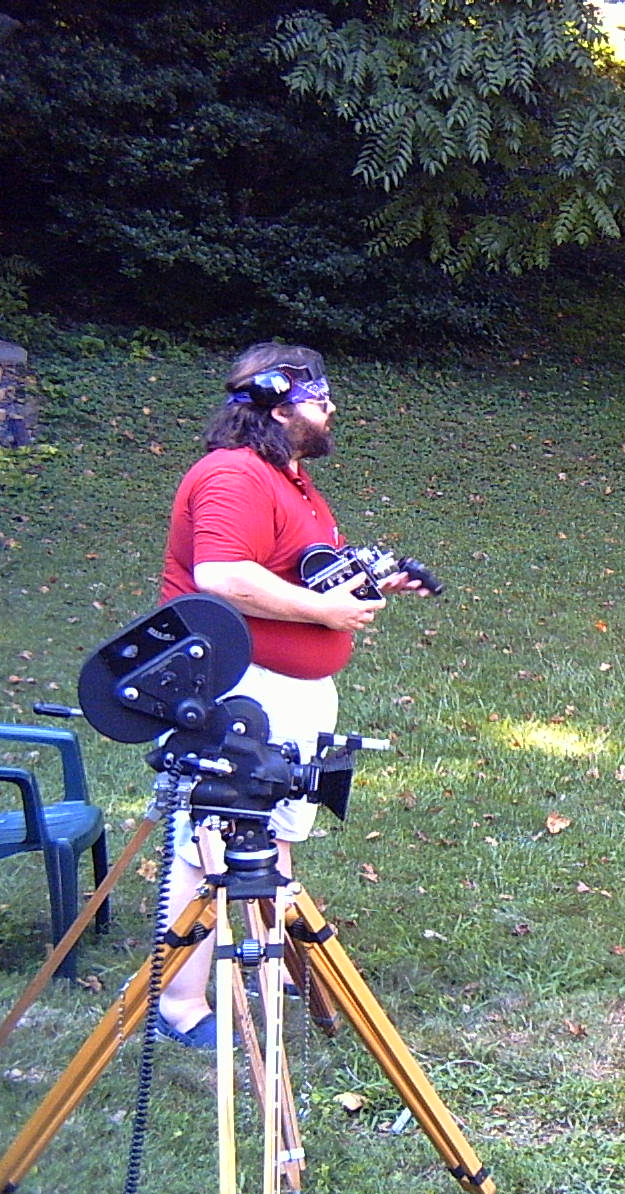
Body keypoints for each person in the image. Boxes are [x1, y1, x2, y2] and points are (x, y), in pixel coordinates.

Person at [153, 342, 421, 1048]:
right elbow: (221, 576)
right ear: (276, 407)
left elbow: (292, 574)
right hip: (239, 691)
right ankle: (179, 1004)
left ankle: (274, 970)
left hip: (289, 691)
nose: (332, 409)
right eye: (318, 398)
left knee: (267, 838)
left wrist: (365, 585)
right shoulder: (234, 474)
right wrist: (326, 612)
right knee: (207, 845)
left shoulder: (289, 480)